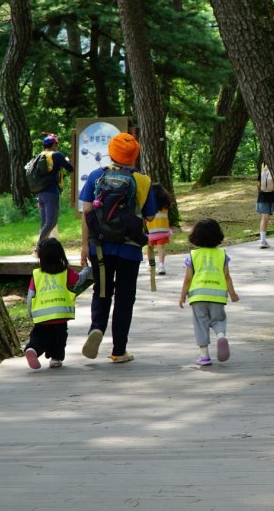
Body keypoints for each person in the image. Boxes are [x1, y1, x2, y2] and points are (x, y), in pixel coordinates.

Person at [78, 133, 158, 364]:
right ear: (134, 156)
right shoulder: (142, 180)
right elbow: (150, 215)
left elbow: (87, 212)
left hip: (100, 247)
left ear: (111, 153)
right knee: (124, 297)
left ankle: (97, 328)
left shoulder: (96, 175)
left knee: (102, 292)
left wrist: (85, 246)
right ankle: (119, 350)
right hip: (130, 248)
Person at [178, 218, 239, 367]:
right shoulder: (222, 255)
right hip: (218, 294)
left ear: (196, 236)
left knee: (201, 323)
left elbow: (187, 279)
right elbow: (226, 276)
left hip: (198, 295)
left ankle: (204, 356)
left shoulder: (193, 256)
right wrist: (232, 293)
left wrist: (182, 296)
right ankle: (220, 335)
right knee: (218, 319)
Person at [24, 238, 92, 370]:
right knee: (59, 338)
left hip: (41, 316)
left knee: (39, 336)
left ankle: (32, 349)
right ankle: (56, 358)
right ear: (61, 255)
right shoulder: (65, 272)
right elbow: (79, 280)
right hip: (60, 315)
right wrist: (86, 269)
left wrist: (30, 312)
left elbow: (30, 296)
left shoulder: (37, 275)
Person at [33, 133, 75, 249]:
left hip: (40, 193)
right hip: (51, 192)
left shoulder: (40, 156)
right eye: (56, 143)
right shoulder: (56, 155)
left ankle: (43, 249)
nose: (57, 146)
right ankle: (38, 247)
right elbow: (70, 168)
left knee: (44, 222)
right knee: (51, 221)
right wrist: (66, 160)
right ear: (53, 144)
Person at [147, 183, 173, 275]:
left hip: (150, 230)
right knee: (161, 248)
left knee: (150, 248)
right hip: (162, 230)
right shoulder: (165, 204)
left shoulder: (150, 204)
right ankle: (161, 265)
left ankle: (151, 264)